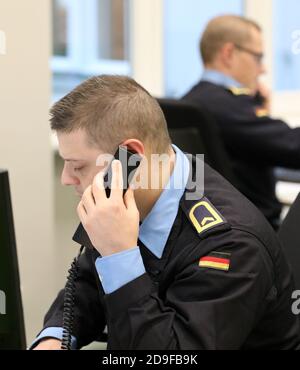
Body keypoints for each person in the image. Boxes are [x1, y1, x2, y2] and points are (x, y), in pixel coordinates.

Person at [32, 75, 299, 350]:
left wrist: (119, 256)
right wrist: (54, 338)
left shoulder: (231, 247)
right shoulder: (134, 196)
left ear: (130, 158)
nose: (66, 178)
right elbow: (88, 283)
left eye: (77, 166)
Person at [183, 15, 300, 230]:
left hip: (222, 231)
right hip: (258, 233)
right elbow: (293, 146)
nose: (263, 68)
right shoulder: (226, 106)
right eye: (258, 57)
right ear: (228, 54)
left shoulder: (193, 100)